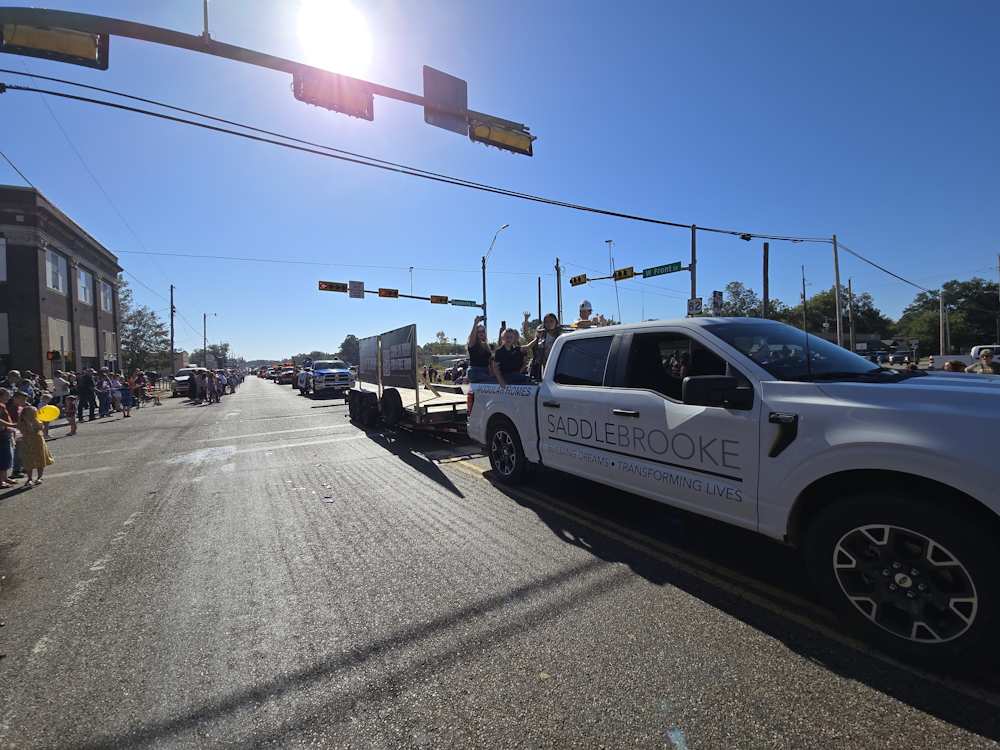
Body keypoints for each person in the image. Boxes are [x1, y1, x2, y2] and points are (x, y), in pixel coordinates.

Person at [18, 405, 53, 486]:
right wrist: (27, 421)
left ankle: (39, 477)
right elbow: (27, 431)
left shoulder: (38, 420)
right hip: (27, 443)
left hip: (38, 443)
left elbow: (40, 428)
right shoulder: (22, 422)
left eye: (35, 412)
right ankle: (29, 478)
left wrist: (35, 420)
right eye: (32, 413)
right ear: (25, 414)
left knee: (40, 459)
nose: (34, 414)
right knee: (28, 461)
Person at [529, 313, 563, 380]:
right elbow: (530, 345)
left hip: (558, 365)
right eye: (546, 322)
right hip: (544, 366)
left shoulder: (561, 336)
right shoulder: (541, 336)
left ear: (556, 322)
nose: (549, 323)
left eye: (551, 321)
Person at [466, 315, 495, 383]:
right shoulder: (473, 344)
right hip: (475, 371)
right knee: (494, 381)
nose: (481, 333)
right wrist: (475, 323)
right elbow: (472, 337)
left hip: (486, 370)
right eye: (479, 331)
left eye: (483, 331)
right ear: (476, 333)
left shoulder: (487, 346)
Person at [0, 388, 17, 487]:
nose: (9, 396)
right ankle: (1, 481)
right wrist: (12, 425)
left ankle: (5, 478)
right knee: (3, 457)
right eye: (7, 395)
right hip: (2, 434)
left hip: (5, 433)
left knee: (7, 457)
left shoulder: (2, 405)